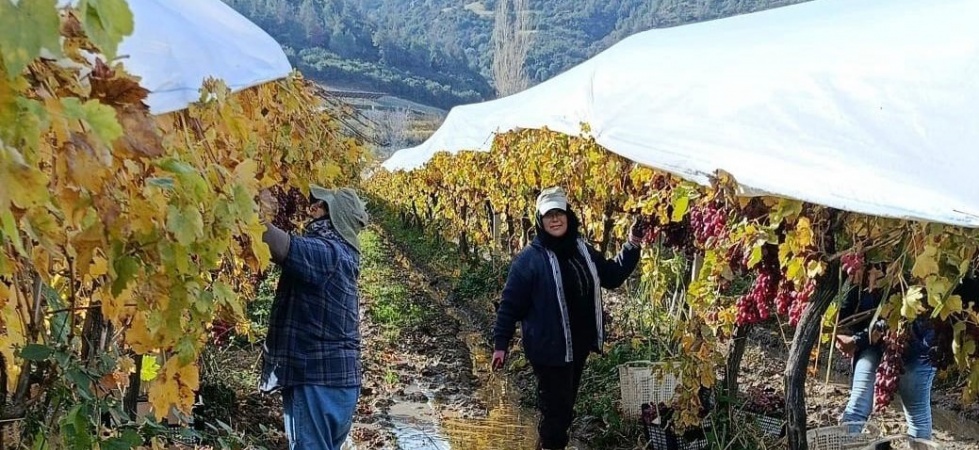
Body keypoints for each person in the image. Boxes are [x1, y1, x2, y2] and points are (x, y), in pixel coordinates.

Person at [492, 186, 643, 450]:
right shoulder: (528, 261)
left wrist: (632, 244)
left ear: (567, 215)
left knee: (562, 408)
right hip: (549, 350)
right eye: (548, 215)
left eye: (558, 213)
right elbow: (509, 306)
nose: (555, 219)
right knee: (557, 413)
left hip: (578, 346)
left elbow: (612, 275)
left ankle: (546, 444)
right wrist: (500, 345)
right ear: (540, 220)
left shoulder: (582, 250)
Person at [257, 185, 369, 450]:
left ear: (333, 217)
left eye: (321, 206)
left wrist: (243, 208)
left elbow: (276, 242)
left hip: (317, 380)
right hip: (339, 382)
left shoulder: (327, 253)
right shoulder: (343, 254)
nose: (313, 209)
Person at [834, 269, 937, 441]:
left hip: (916, 350)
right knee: (915, 419)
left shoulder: (908, 268)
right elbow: (846, 312)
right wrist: (841, 332)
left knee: (859, 409)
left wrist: (856, 340)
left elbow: (890, 322)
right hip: (878, 346)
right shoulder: (864, 267)